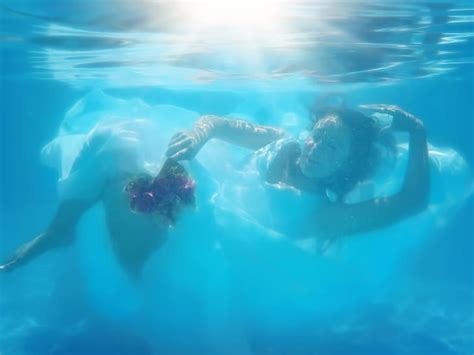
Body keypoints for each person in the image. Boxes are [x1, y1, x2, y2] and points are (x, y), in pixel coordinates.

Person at [165, 104, 430, 240]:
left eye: (333, 146)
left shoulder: (324, 216)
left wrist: (418, 131)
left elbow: (412, 201)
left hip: (214, 238)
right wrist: (196, 137)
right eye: (316, 137)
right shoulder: (282, 143)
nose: (315, 150)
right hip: (200, 205)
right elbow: (216, 123)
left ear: (348, 163)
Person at [0, 120, 197, 277]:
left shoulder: (154, 164)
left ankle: (60, 231)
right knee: (111, 172)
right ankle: (60, 230)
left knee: (118, 178)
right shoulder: (110, 159)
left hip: (130, 153)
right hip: (112, 151)